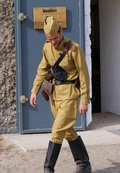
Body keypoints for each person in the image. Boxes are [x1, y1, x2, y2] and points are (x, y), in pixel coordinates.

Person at [30, 16, 92, 173]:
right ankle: (84, 164)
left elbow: (83, 75)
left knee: (57, 131)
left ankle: (48, 169)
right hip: (54, 96)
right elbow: (42, 70)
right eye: (49, 39)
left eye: (55, 38)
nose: (53, 42)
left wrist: (84, 100)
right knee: (68, 130)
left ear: (61, 31)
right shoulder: (47, 48)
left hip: (70, 95)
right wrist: (34, 91)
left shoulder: (74, 49)